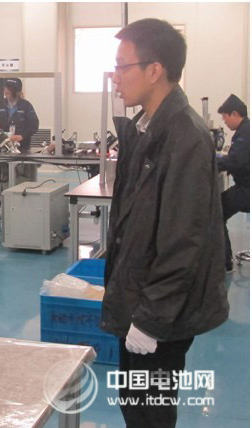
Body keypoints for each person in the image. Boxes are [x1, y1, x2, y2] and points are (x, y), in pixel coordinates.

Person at [102, 19, 229, 428]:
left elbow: (184, 241)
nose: (116, 77)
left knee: (150, 413)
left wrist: (151, 319)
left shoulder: (185, 136)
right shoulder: (146, 130)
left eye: (122, 66)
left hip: (159, 314)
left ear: (155, 70)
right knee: (134, 404)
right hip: (139, 299)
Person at [0, 78, 39, 196]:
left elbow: (34, 125)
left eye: (9, 90)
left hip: (21, 149)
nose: (6, 91)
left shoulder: (26, 106)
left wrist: (21, 136)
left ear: (17, 92)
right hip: (1, 148)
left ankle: (18, 198)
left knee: (20, 176)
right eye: (5, 89)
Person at [216, 94, 250, 272]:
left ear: (235, 114)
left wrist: (211, 160)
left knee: (217, 211)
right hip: (245, 186)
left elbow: (234, 162)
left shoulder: (245, 133)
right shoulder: (245, 131)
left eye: (225, 117)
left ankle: (224, 263)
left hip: (247, 189)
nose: (225, 122)